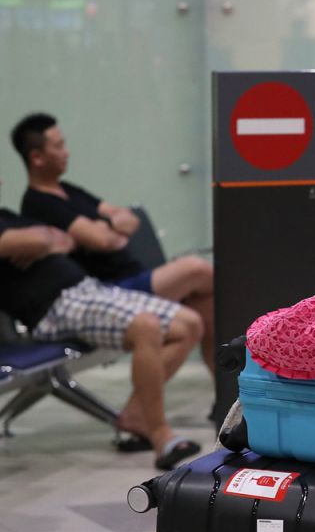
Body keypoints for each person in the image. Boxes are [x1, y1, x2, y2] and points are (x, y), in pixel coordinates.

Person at [0, 184, 203, 469]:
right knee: (146, 326)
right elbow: (42, 242)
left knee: (189, 325)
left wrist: (45, 239)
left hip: (88, 290)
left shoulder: (8, 216)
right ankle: (162, 437)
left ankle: (135, 415)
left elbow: (64, 241)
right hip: (55, 308)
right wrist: (43, 240)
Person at [11, 113, 217, 373]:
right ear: (37, 158)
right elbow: (104, 240)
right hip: (110, 290)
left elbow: (128, 220)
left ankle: (220, 389)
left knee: (203, 301)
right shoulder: (39, 202)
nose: (67, 152)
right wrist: (107, 227)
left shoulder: (69, 190)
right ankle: (145, 405)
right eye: (58, 146)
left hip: (135, 278)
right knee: (198, 270)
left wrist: (101, 228)